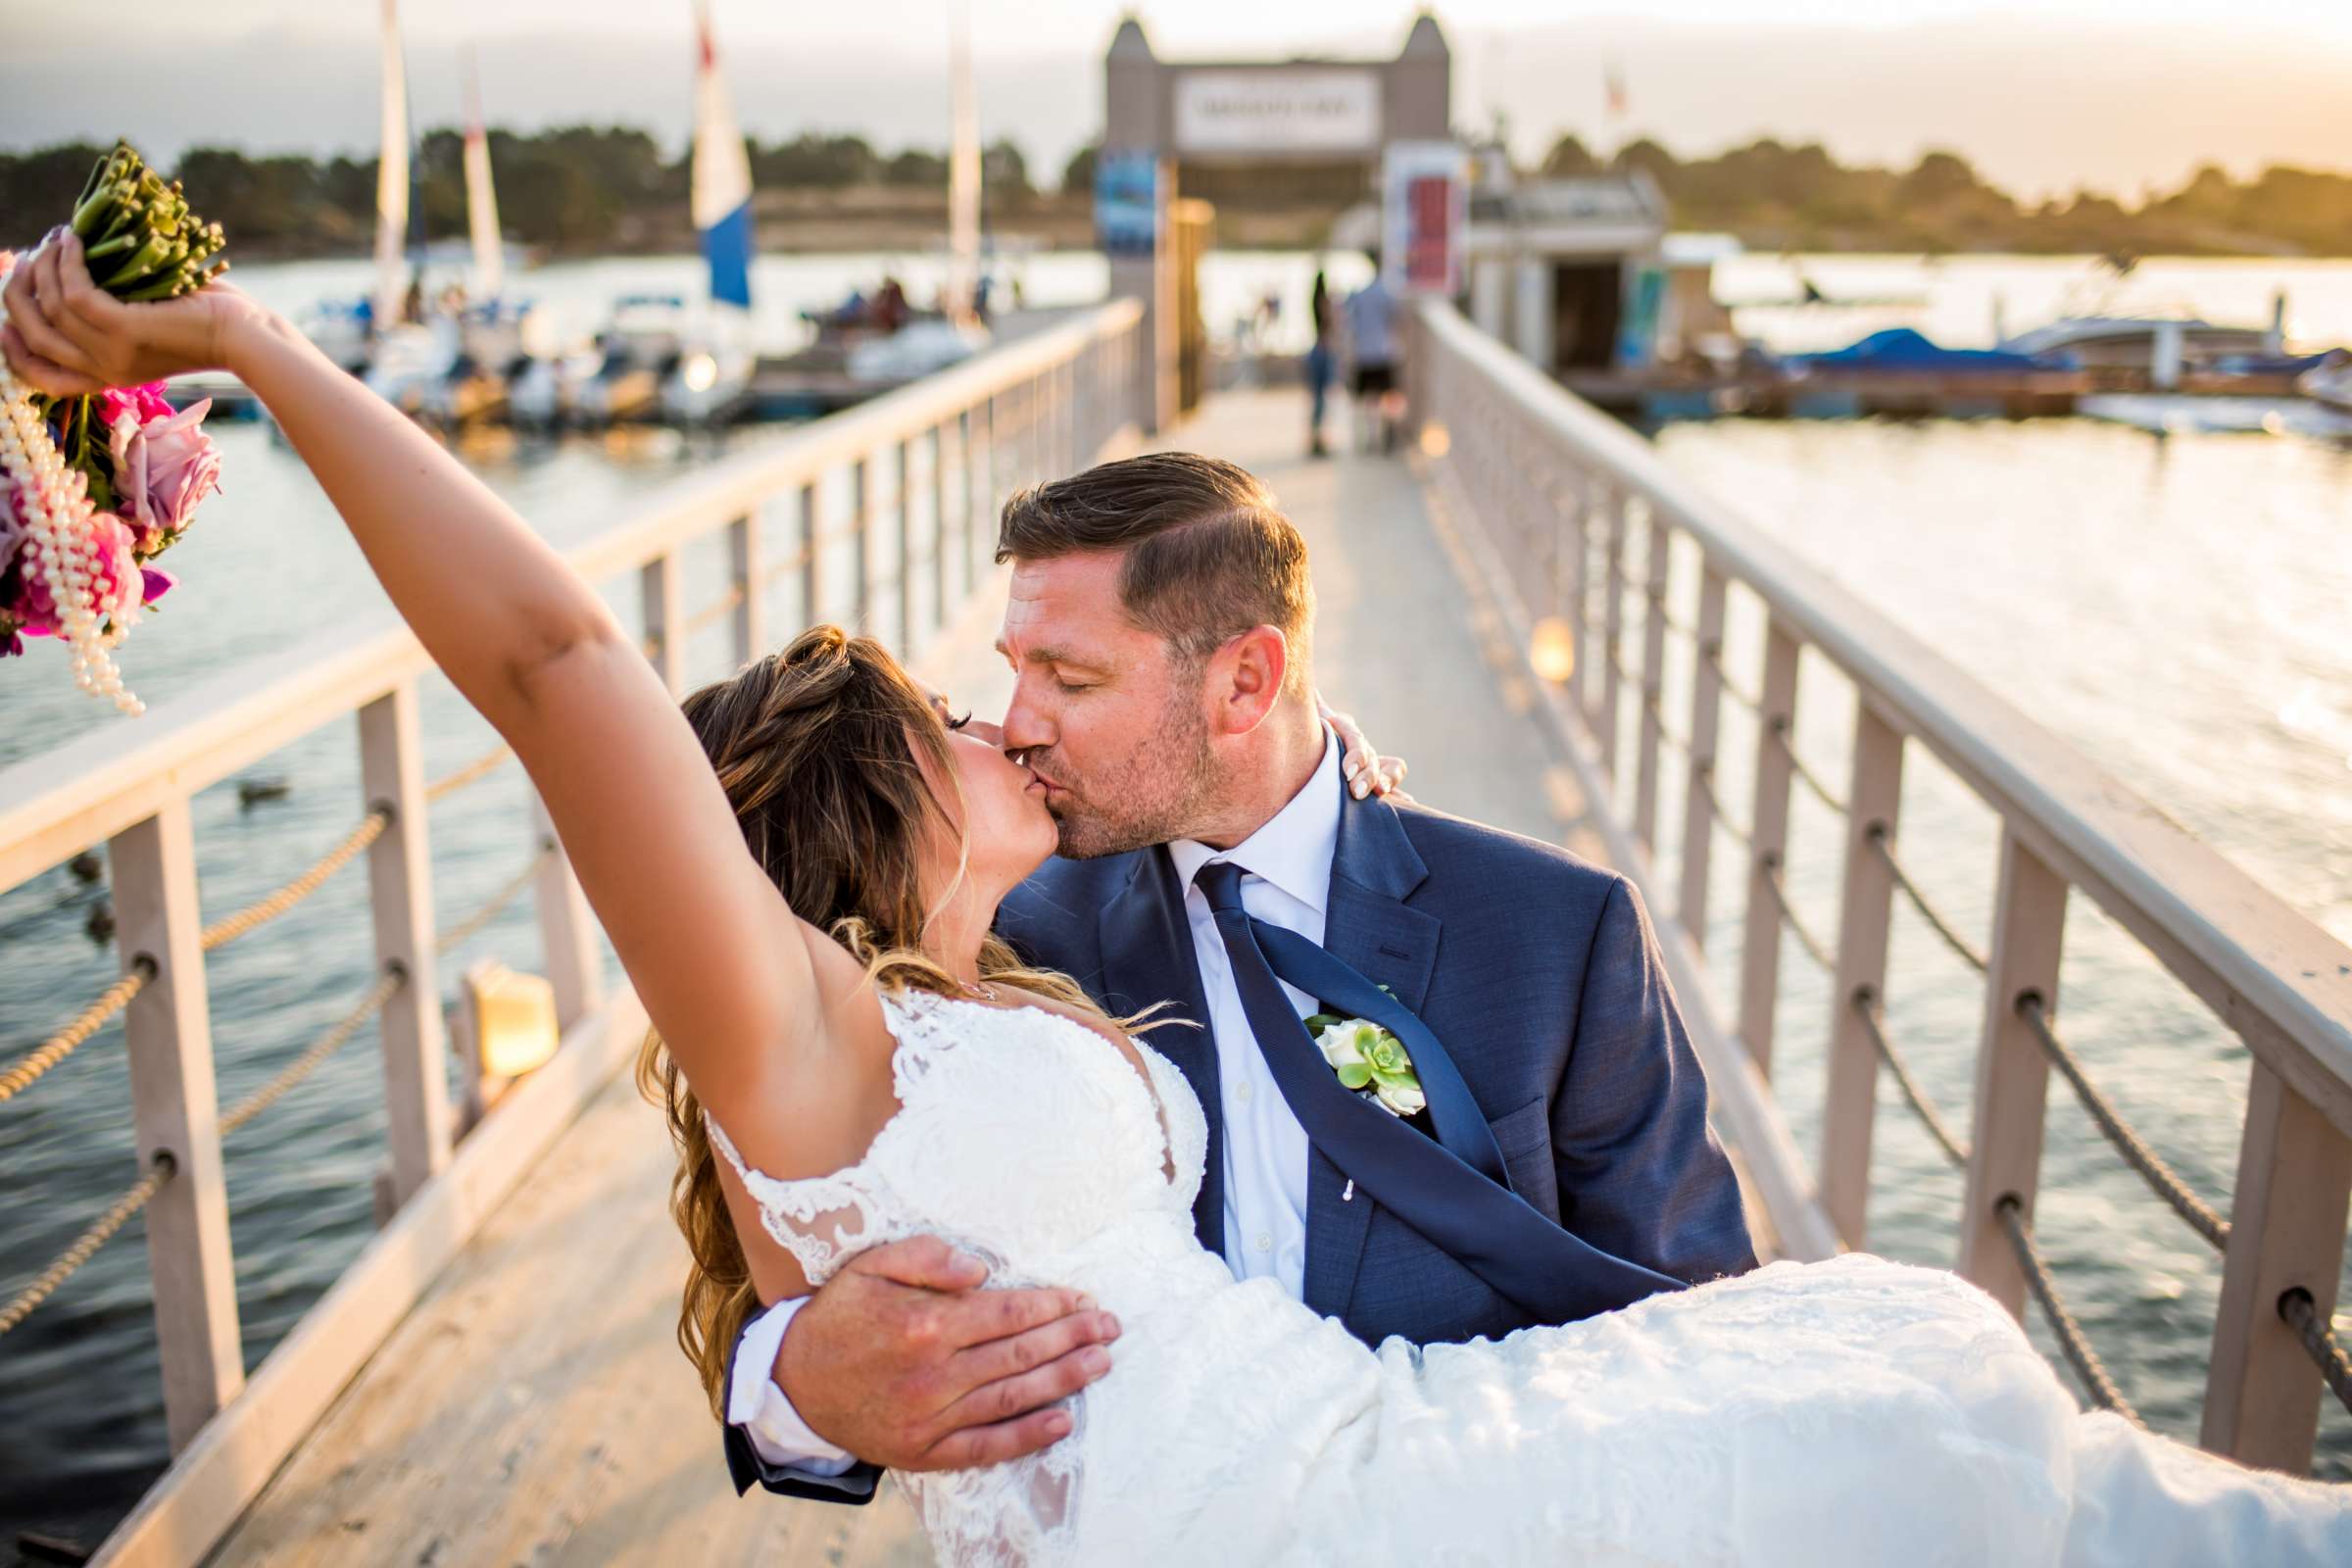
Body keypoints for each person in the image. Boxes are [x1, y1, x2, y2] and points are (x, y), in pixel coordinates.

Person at [10, 232, 2346, 1567]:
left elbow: (1667, 1309)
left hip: (1464, 1495)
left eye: (1051, 669)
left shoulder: (1547, 937)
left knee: (1922, 1442)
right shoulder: (905, 997)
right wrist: (787, 1372)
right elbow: (557, 671)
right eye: (974, 688)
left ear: (1240, 677)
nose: (1008, 714)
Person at [1343, 253, 1402, 454]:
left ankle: (1369, 437)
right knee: (1389, 396)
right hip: (1383, 351)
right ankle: (1388, 435)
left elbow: (1348, 320)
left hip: (1363, 353)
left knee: (1367, 400)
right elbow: (1395, 320)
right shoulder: (1387, 293)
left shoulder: (1359, 294)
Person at [1304, 270, 1335, 458]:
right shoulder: (1324, 304)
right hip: (1322, 352)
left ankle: (1316, 439)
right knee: (1321, 400)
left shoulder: (1313, 302)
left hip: (1315, 352)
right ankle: (1318, 440)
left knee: (1317, 399)